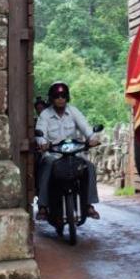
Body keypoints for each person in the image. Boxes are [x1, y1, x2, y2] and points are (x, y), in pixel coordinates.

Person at [35, 82, 101, 221]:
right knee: (47, 164)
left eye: (63, 96)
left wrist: (92, 138)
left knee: (89, 166)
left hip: (74, 153)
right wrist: (43, 143)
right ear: (52, 98)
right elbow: (40, 133)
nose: (60, 99)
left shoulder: (73, 111)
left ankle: (89, 205)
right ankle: (43, 206)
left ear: (67, 98)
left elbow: (86, 127)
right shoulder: (45, 115)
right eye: (57, 96)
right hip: (54, 155)